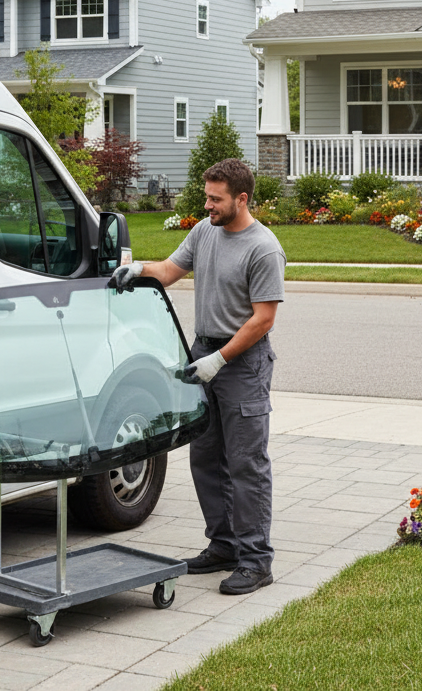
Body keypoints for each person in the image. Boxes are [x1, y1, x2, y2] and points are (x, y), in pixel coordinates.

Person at [111, 158, 285, 595]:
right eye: (206, 195)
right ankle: (223, 545)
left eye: (215, 198)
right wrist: (140, 271)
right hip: (203, 353)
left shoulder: (263, 248)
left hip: (240, 362)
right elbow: (171, 271)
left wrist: (220, 359)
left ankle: (256, 560)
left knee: (246, 464)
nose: (207, 204)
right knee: (205, 457)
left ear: (241, 199)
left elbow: (263, 320)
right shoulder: (204, 232)